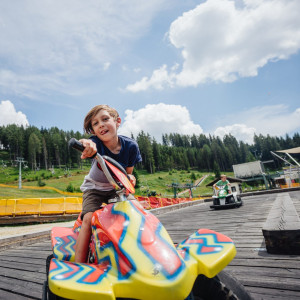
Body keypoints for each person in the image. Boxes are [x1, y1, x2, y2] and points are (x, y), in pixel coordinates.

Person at [75, 104, 142, 263]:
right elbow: (87, 143)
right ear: (93, 132)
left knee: (138, 211)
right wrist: (87, 144)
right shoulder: (95, 143)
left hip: (116, 189)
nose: (101, 125)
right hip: (94, 189)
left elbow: (128, 174)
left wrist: (131, 179)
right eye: (95, 124)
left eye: (105, 119)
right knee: (89, 217)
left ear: (117, 121)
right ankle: (79, 264)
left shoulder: (131, 146)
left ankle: (140, 251)